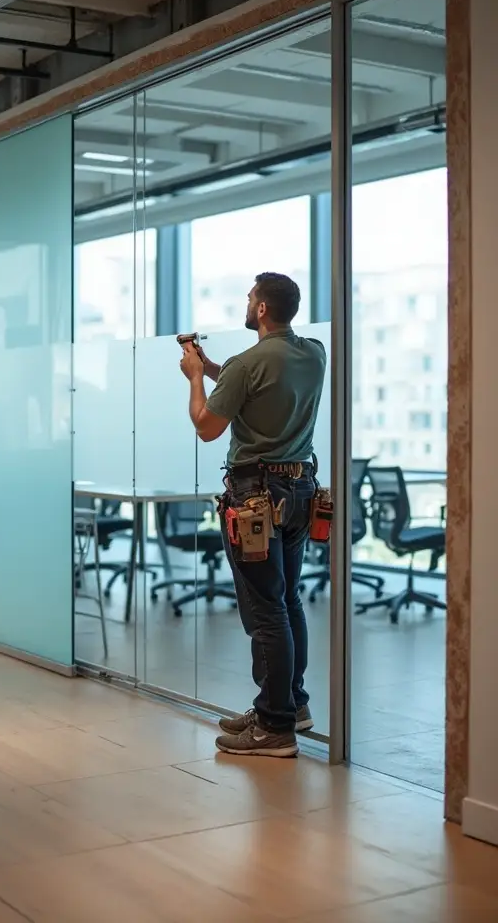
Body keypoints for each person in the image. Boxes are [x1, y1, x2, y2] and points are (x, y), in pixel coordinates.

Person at [179, 272, 326, 758]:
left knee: (265, 611)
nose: (246, 304)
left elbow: (207, 427)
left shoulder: (248, 364)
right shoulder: (313, 353)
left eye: (249, 298)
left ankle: (274, 728)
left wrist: (197, 376)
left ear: (261, 309)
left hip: (254, 496)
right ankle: (288, 705)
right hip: (299, 489)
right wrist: (218, 368)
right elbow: (256, 386)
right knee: (287, 602)